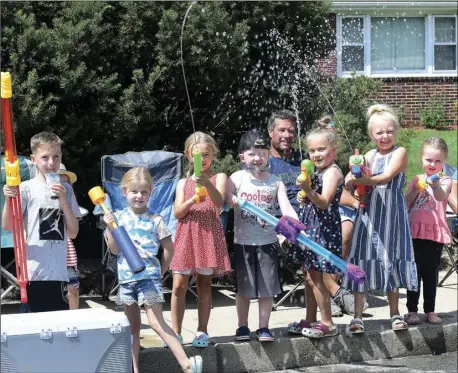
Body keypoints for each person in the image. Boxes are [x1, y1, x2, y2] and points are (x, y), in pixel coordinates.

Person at [104, 167, 202, 373]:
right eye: (134, 191)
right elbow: (113, 250)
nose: (139, 196)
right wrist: (111, 227)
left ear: (151, 192)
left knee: (157, 323)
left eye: (144, 192)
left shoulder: (155, 219)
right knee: (132, 329)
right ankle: (134, 369)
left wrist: (161, 271)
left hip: (148, 278)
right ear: (124, 192)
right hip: (126, 280)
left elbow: (169, 249)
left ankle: (187, 364)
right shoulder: (118, 218)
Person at [342, 104, 418, 334]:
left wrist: (362, 180)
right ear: (371, 135)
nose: (385, 136)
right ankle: (357, 316)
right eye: (379, 132)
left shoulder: (400, 152)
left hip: (393, 216)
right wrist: (351, 178)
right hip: (369, 216)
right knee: (363, 258)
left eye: (389, 131)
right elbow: (348, 181)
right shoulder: (366, 156)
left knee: (391, 258)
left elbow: (385, 177)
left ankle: (395, 313)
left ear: (396, 131)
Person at [226, 129, 299, 342]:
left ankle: (264, 327)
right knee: (244, 289)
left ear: (268, 155)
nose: (257, 158)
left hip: (268, 242)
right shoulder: (237, 177)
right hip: (243, 242)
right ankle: (242, 327)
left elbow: (286, 208)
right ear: (242, 157)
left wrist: (293, 224)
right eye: (252, 154)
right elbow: (225, 194)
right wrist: (232, 198)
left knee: (267, 288)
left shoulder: (275, 181)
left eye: (262, 153)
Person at [2, 132, 81, 313]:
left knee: (58, 325)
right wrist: (8, 199)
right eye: (45, 158)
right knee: (34, 324)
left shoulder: (67, 189)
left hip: (59, 272)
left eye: (56, 157)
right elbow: (7, 226)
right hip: (33, 273)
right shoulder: (26, 188)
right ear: (34, 159)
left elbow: (74, 232)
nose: (51, 163)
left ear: (61, 157)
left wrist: (63, 201)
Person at [171, 132, 231, 348]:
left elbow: (218, 203)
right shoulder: (182, 183)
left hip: (207, 234)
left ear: (213, 155)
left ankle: (202, 331)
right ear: (188, 155)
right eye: (197, 155)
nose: (202, 159)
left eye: (206, 154)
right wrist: (191, 200)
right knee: (179, 285)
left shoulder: (219, 177)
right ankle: (175, 333)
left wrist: (207, 183)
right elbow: (178, 213)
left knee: (205, 284)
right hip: (186, 235)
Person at [287, 120, 343, 339]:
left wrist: (308, 189)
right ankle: (310, 319)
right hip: (312, 227)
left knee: (316, 277)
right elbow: (313, 201)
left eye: (321, 149)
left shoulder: (332, 172)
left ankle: (327, 322)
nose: (316, 154)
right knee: (308, 275)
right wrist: (305, 196)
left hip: (324, 229)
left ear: (334, 150)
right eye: (312, 150)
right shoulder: (319, 171)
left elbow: (324, 202)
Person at [405, 137, 452, 325]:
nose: (432, 164)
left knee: (430, 273)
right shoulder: (416, 180)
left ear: (444, 161)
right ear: (422, 158)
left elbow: (441, 196)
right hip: (414, 232)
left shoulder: (445, 180)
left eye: (438, 161)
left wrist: (434, 185)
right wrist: (414, 190)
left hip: (434, 234)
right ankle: (412, 310)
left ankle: (430, 310)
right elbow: (406, 204)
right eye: (429, 160)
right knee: (413, 273)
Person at [57, 163, 80, 310]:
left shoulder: (69, 197)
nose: (62, 184)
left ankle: (74, 318)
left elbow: (73, 231)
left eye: (65, 181)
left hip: (66, 247)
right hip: (48, 249)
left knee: (73, 288)